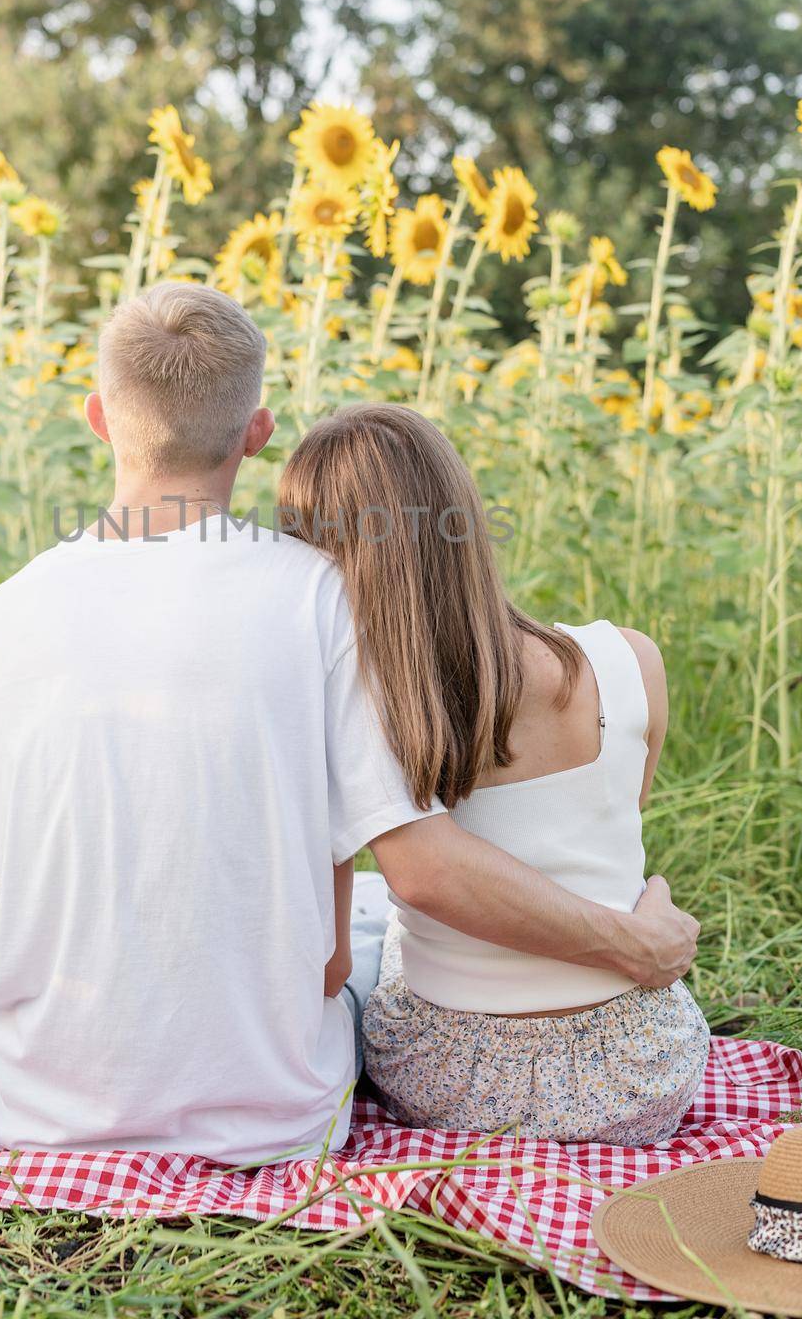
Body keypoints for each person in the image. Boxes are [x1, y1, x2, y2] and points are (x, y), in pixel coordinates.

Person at [0, 284, 699, 1166]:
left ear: (98, 418)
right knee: (359, 910)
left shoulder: (9, 608)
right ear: (256, 431)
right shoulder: (317, 596)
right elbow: (368, 917)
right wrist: (628, 937)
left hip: (34, 1101)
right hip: (275, 1114)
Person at [278, 403, 710, 1145]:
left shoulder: (364, 706)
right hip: (642, 1075)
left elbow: (335, 958)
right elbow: (611, 837)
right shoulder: (632, 659)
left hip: (459, 1082)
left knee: (372, 936)